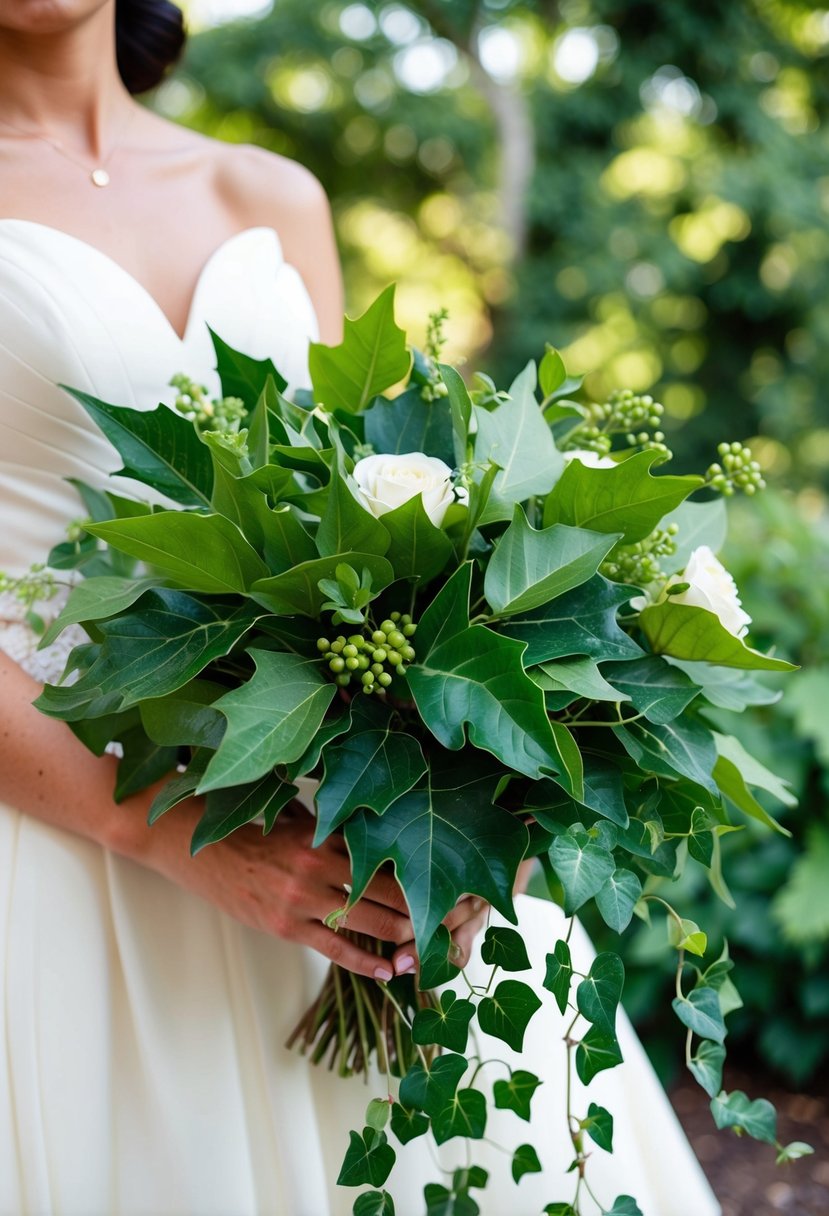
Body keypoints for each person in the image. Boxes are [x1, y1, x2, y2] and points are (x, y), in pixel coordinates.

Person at [0, 3, 722, 1213]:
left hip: (332, 834)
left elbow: (372, 527)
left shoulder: (271, 195)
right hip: (61, 843)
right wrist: (186, 842)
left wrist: (458, 794)